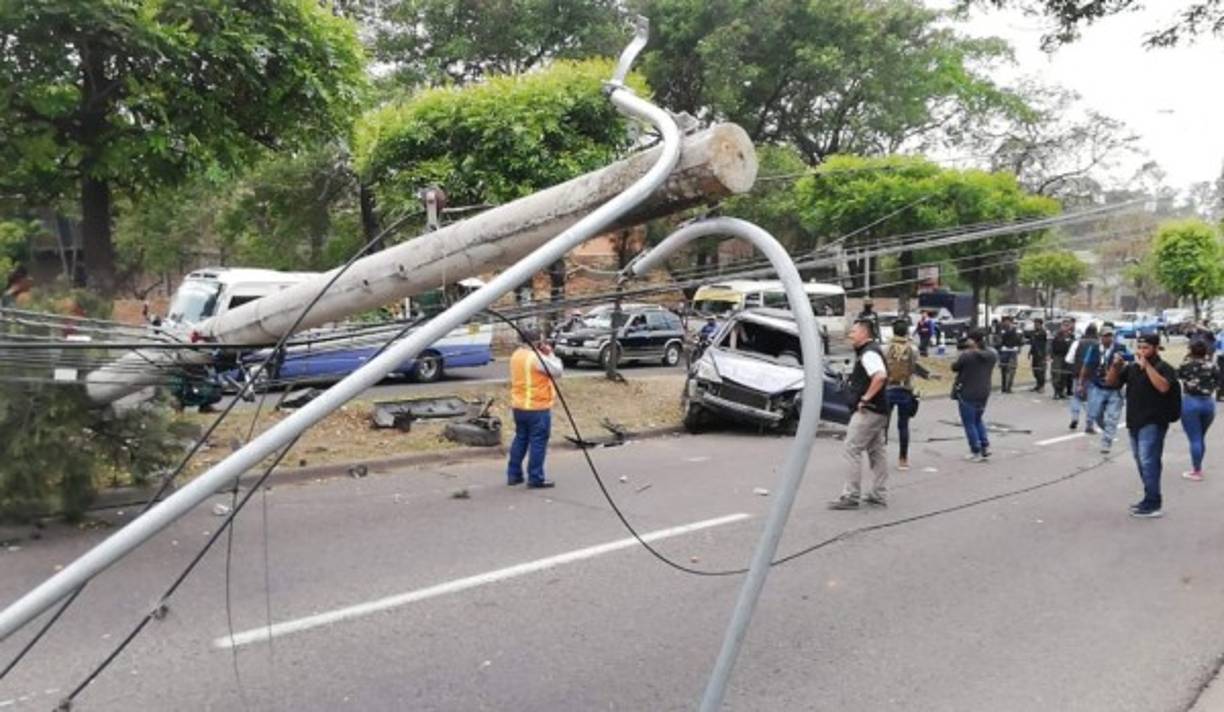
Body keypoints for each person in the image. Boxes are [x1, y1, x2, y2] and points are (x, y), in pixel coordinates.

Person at [1105, 334, 1179, 518]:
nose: (1141, 351)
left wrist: (1148, 367)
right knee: (1141, 462)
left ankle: (1154, 503)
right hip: (1134, 421)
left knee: (1149, 462)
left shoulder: (1164, 368)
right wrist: (1115, 366)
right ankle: (1149, 498)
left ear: (1155, 348)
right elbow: (1111, 383)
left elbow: (1163, 387)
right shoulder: (1132, 369)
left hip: (1154, 421)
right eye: (1139, 347)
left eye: (1145, 348)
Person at [829, 319, 890, 510]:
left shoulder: (869, 353)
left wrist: (865, 399)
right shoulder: (870, 351)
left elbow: (880, 376)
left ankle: (851, 495)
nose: (850, 335)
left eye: (853, 332)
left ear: (864, 332)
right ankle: (878, 493)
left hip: (869, 410)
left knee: (852, 448)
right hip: (879, 410)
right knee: (876, 451)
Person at [506, 328, 564, 489]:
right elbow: (557, 371)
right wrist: (550, 353)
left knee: (520, 439)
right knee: (538, 443)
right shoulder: (535, 358)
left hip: (519, 406)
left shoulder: (516, 355)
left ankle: (513, 474)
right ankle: (535, 477)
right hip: (537, 407)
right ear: (536, 342)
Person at [883, 319, 933, 472]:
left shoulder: (885, 348)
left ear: (893, 331)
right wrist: (927, 375)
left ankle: (880, 456)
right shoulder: (913, 348)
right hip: (905, 389)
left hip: (888, 388)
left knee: (883, 424)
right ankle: (903, 459)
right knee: (903, 425)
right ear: (906, 332)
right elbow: (914, 367)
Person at [1079, 325, 1128, 453]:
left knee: (1113, 417)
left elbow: (1130, 362)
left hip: (1115, 389)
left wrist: (1122, 362)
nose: (1108, 338)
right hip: (1097, 386)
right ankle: (1107, 430)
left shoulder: (1120, 348)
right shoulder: (1094, 349)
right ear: (1100, 337)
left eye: (1110, 335)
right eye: (1105, 336)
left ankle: (1107, 441)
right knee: (1095, 413)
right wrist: (1081, 383)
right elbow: (1086, 365)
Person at [951, 329, 998, 462]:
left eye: (968, 339)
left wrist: (960, 353)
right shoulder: (991, 354)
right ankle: (985, 445)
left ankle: (975, 449)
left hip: (968, 391)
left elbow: (954, 367)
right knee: (978, 419)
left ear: (973, 341)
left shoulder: (967, 356)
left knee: (969, 422)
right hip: (984, 391)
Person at [1177, 338, 1219, 481]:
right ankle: (1198, 467)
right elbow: (1219, 381)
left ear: (1190, 350)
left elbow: (1177, 378)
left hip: (1190, 402)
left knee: (1195, 438)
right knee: (1200, 437)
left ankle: (1196, 470)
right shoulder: (1212, 365)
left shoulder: (1185, 365)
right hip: (1208, 402)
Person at [1066, 324, 1099, 433]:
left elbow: (1069, 359)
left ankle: (1075, 417)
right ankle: (1089, 424)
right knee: (1091, 400)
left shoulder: (1077, 342)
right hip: (1093, 375)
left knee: (1076, 397)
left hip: (1078, 373)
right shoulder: (1099, 344)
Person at [993, 315, 1022, 393]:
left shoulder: (1016, 329)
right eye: (1005, 321)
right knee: (1003, 369)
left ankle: (1009, 387)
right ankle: (1003, 387)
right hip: (1004, 350)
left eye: (1008, 321)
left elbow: (1020, 339)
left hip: (1013, 350)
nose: (1007, 323)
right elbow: (997, 339)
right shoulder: (1000, 329)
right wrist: (999, 348)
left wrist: (1019, 347)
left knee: (1012, 369)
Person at [1049, 318, 1075, 400]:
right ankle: (1056, 392)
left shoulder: (1071, 336)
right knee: (1057, 374)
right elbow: (1050, 345)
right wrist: (1049, 355)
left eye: (1067, 325)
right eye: (1064, 325)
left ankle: (1062, 392)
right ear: (1061, 326)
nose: (1066, 327)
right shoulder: (1056, 334)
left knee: (1065, 375)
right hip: (1057, 356)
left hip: (1067, 357)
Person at [1028, 317, 1049, 393]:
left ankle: (1042, 386)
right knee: (1035, 371)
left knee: (1041, 371)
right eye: (1034, 323)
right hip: (1035, 354)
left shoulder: (1043, 332)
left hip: (1041, 354)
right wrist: (1030, 352)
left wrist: (1046, 354)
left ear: (1040, 324)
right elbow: (1033, 343)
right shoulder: (1034, 332)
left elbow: (1046, 343)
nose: (1035, 325)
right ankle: (1038, 385)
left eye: (1036, 324)